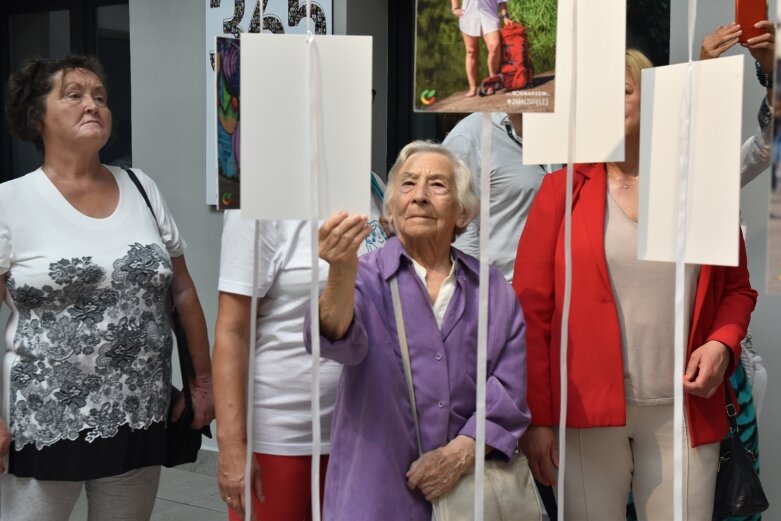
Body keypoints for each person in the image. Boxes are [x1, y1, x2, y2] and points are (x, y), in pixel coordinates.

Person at [514, 49, 758, 520]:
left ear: (652, 102)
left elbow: (737, 289)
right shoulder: (561, 192)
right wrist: (539, 419)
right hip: (585, 410)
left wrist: (722, 343)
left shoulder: (698, 187)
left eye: (622, 91)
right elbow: (531, 312)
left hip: (683, 408)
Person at [0, 55, 214, 520]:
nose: (92, 105)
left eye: (99, 97)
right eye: (73, 95)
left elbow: (182, 292)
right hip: (43, 417)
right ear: (38, 117)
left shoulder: (141, 187)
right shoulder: (9, 202)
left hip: (138, 410)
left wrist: (202, 382)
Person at [305, 141, 530, 520]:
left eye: (438, 185)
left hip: (467, 494)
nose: (420, 196)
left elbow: (508, 389)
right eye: (408, 185)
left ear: (463, 212)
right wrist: (341, 270)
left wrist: (459, 453)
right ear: (390, 209)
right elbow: (333, 339)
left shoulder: (490, 288)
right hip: (376, 492)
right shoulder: (365, 278)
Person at [212, 177, 387, 520]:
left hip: (365, 431)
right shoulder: (261, 195)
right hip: (286, 433)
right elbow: (232, 330)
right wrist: (232, 447)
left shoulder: (371, 185)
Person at [444, 111, 557, 282]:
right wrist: (474, 292)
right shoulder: (470, 135)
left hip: (547, 288)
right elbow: (460, 230)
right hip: (498, 291)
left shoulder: (555, 130)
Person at [452, 0, 512, 96]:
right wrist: (455, 7)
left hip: (489, 13)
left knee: (494, 46)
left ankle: (492, 82)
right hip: (468, 14)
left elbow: (502, 1)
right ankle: (472, 87)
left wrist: (505, 16)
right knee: (471, 51)